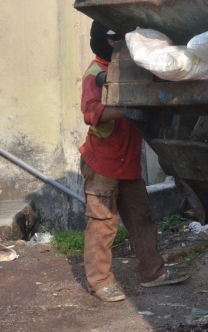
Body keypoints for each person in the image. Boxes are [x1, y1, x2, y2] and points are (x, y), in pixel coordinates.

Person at [79, 21, 189, 302]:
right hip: (102, 163)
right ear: (107, 41)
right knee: (102, 223)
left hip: (127, 164)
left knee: (142, 219)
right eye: (117, 39)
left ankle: (153, 272)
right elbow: (91, 112)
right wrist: (127, 109)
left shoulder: (130, 71)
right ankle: (100, 282)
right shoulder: (97, 73)